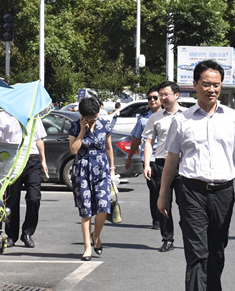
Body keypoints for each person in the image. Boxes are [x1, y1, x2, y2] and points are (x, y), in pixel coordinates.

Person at [158, 60, 235, 291]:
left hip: (223, 191)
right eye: (206, 84)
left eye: (216, 85)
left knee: (216, 250)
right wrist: (163, 194)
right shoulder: (182, 120)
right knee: (196, 252)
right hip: (191, 191)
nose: (212, 89)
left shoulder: (233, 118)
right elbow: (172, 158)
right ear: (195, 85)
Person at [0, 110, 48, 248]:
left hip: (32, 160)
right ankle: (11, 235)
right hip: (13, 161)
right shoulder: (3, 116)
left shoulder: (33, 115)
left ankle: (27, 233)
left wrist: (43, 160)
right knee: (12, 199)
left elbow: (39, 139)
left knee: (34, 198)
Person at [68, 97, 116, 261]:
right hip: (82, 169)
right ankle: (87, 247)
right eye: (89, 118)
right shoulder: (75, 126)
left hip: (101, 169)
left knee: (104, 206)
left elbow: (108, 147)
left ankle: (96, 235)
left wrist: (112, 168)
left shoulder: (104, 124)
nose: (92, 120)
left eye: (94, 116)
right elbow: (74, 150)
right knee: (86, 209)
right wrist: (82, 131)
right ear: (82, 115)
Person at [143, 81, 183, 252]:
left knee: (186, 204)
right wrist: (147, 164)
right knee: (164, 203)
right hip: (161, 164)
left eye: (166, 94)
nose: (163, 98)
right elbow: (149, 141)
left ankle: (191, 238)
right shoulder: (155, 118)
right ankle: (167, 239)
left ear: (176, 95)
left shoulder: (187, 115)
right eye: (161, 95)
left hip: (183, 166)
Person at [125, 88, 162, 228]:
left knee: (165, 191)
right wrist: (129, 158)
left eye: (155, 98)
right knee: (154, 190)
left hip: (166, 159)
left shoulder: (169, 116)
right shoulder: (143, 119)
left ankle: (165, 219)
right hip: (149, 160)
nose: (152, 100)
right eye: (149, 98)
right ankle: (157, 220)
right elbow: (136, 139)